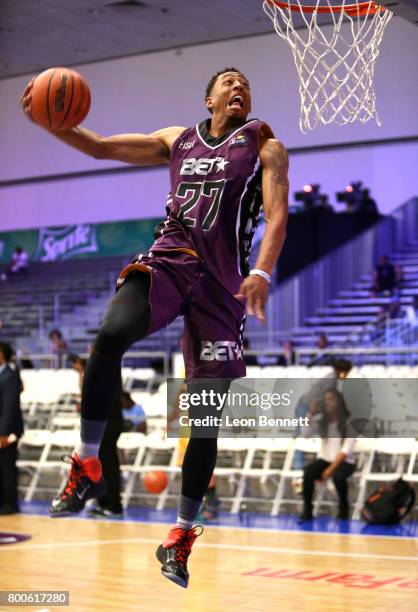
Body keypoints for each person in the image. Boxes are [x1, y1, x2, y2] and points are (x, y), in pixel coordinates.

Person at [21, 66, 288, 587]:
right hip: (171, 259)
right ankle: (88, 462)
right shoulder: (176, 140)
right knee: (110, 335)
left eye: (246, 84)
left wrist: (261, 271)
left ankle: (182, 536)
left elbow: (278, 215)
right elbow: (98, 147)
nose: (239, 88)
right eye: (229, 81)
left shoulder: (266, 146)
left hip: (224, 285)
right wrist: (51, 123)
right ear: (208, 95)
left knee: (202, 418)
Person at [68, 354, 124, 518]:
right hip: (99, 423)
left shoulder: (111, 365)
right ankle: (103, 502)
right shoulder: (102, 367)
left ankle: (113, 504)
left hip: (109, 422)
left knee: (109, 464)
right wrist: (81, 373)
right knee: (99, 465)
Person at [299, 388, 356, 522]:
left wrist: (331, 469)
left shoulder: (349, 423)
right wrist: (310, 414)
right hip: (325, 459)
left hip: (345, 462)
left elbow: (345, 450)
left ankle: (343, 509)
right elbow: (306, 435)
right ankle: (307, 509)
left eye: (331, 399)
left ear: (339, 402)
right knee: (308, 473)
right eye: (325, 400)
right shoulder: (321, 420)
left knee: (338, 477)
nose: (327, 403)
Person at [0, 342, 24, 515]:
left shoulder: (9, 376)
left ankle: (10, 503)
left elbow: (9, 407)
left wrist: (4, 433)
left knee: (7, 467)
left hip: (7, 431)